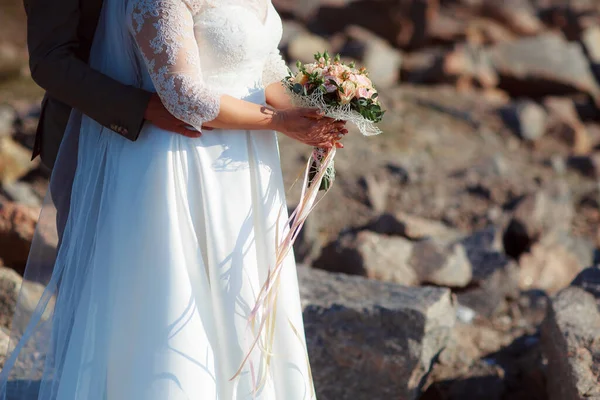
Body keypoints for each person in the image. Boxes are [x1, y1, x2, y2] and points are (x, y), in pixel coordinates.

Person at [0, 0, 347, 399]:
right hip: (129, 135)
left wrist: (325, 105)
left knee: (240, 289)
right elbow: (51, 61)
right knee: (134, 294)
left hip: (241, 156)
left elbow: (258, 66)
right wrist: (143, 107)